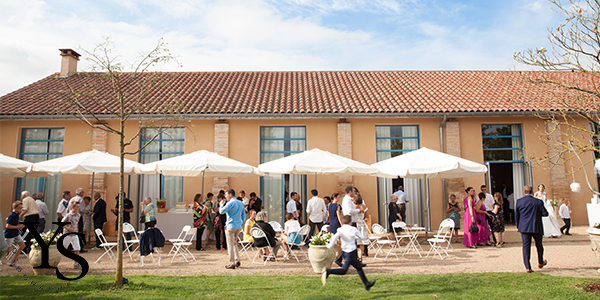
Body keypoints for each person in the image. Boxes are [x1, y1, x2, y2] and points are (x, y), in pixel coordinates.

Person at [322, 215, 376, 291]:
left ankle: (367, 284)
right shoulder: (353, 229)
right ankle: (328, 271)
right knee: (344, 270)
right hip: (351, 252)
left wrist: (329, 246)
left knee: (359, 267)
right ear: (350, 222)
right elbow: (361, 237)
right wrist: (366, 237)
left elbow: (335, 237)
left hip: (345, 252)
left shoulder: (340, 229)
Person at [515, 185, 548, 273]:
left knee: (526, 246)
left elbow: (517, 215)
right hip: (536, 226)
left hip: (524, 227)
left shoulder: (519, 201)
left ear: (524, 192)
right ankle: (540, 261)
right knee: (539, 245)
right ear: (532, 192)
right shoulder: (538, 202)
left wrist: (518, 225)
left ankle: (528, 267)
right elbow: (545, 213)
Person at [219, 189, 246, 269]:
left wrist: (221, 205)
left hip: (231, 226)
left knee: (230, 244)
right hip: (238, 226)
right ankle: (237, 259)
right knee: (234, 243)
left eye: (226, 195)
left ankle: (232, 262)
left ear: (230, 195)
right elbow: (243, 215)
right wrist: (241, 224)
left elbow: (221, 211)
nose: (225, 197)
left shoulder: (231, 203)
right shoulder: (241, 203)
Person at [4, 201, 25, 269]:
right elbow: (7, 226)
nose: (20, 210)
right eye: (19, 208)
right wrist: (18, 227)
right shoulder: (12, 215)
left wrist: (17, 222)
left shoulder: (16, 215)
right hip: (10, 234)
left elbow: (8, 220)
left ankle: (13, 261)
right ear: (14, 207)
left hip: (15, 234)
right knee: (6, 249)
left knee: (22, 245)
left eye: (21, 208)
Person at [62, 201, 82, 268]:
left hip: (74, 234)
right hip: (67, 234)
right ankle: (54, 261)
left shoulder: (78, 215)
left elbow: (76, 224)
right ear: (72, 207)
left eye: (79, 207)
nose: (78, 208)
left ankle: (76, 263)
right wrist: (68, 228)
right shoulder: (68, 215)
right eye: (77, 207)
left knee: (77, 248)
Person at [354, 193, 369, 262]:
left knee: (355, 242)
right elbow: (367, 216)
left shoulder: (354, 207)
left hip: (356, 223)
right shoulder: (364, 206)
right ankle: (360, 257)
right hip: (362, 224)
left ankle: (355, 257)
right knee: (362, 243)